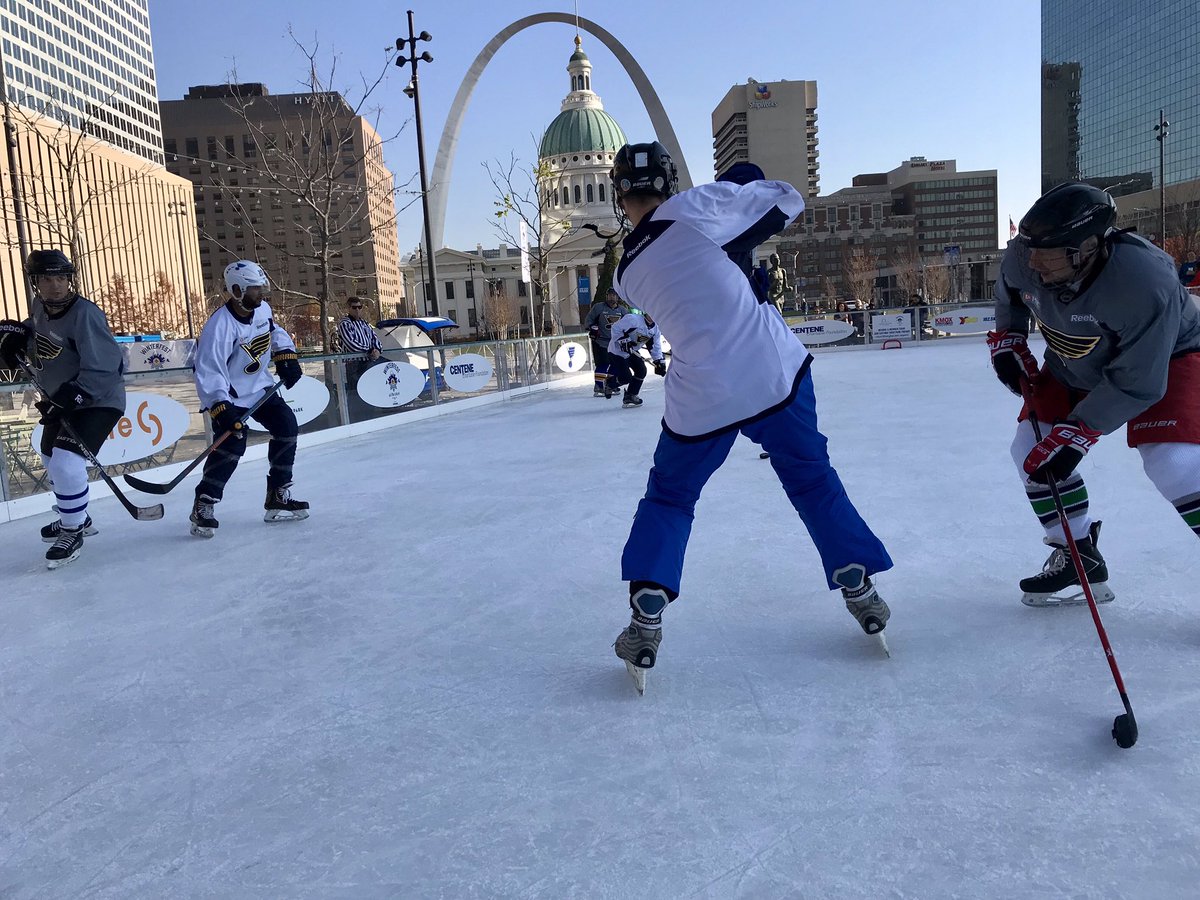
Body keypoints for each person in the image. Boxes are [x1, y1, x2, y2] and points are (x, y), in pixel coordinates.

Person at [607, 141, 893, 691]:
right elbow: (785, 201)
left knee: (670, 496)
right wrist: (742, 182)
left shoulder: (625, 273)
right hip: (771, 371)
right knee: (812, 479)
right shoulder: (694, 207)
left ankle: (648, 604)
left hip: (702, 393)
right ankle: (855, 577)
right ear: (669, 182)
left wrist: (733, 262)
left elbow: (692, 277)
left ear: (621, 196)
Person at [989, 181, 1200, 606]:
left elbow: (1138, 381)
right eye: (1029, 251)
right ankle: (1077, 552)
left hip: (1164, 357)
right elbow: (1009, 291)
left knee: (1172, 460)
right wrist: (1008, 339)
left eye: (1046, 257)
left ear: (1087, 247)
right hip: (1075, 358)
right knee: (1031, 448)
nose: (1034, 264)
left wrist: (1080, 431)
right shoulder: (1027, 254)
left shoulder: (1144, 281)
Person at [0, 250, 126, 568]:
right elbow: (41, 334)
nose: (55, 286)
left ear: (69, 280)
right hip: (62, 400)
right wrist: (19, 335)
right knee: (49, 456)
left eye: (61, 278)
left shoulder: (86, 314)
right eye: (46, 278)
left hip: (98, 399)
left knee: (68, 461)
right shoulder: (39, 308)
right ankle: (78, 516)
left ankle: (72, 530)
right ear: (35, 282)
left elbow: (108, 364)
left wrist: (77, 395)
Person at [189, 260, 308, 538]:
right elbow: (209, 369)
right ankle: (203, 503)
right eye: (255, 289)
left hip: (260, 388)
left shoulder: (262, 309)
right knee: (232, 447)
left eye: (261, 287)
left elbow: (273, 331)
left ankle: (278, 494)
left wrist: (286, 355)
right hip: (231, 395)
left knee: (286, 426)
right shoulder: (219, 326)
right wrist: (220, 406)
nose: (261, 293)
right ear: (237, 290)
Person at [603, 309, 665, 407]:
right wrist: (624, 340)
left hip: (632, 352)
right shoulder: (632, 319)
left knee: (641, 370)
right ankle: (610, 384)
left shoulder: (655, 329)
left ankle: (631, 395)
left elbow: (655, 346)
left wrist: (659, 361)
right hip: (616, 351)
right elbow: (615, 328)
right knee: (625, 377)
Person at [337, 296, 383, 420]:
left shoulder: (365, 323)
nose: (357, 310)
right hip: (354, 364)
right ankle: (357, 419)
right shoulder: (344, 323)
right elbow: (351, 343)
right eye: (354, 307)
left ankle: (370, 416)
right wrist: (368, 350)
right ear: (348, 308)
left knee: (369, 391)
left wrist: (377, 349)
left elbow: (375, 338)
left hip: (368, 362)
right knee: (356, 393)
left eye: (359, 307)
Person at [583, 287, 628, 396]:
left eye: (614, 295)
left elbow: (629, 324)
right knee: (603, 364)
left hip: (616, 343)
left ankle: (611, 384)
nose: (611, 297)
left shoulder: (622, 311)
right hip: (601, 341)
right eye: (609, 295)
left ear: (618, 297)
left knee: (616, 364)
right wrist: (592, 328)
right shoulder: (599, 308)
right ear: (606, 296)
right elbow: (588, 321)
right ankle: (598, 386)